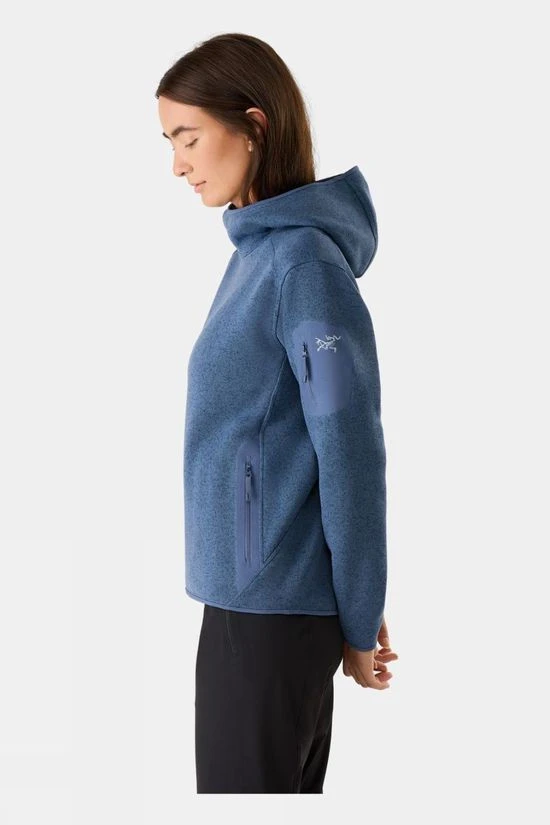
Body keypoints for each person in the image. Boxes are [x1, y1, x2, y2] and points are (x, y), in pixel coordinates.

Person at [155, 32, 398, 794]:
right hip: (246, 604)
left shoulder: (304, 268)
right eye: (169, 142)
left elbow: (350, 449)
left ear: (254, 126)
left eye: (188, 137)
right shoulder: (255, 258)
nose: (178, 165)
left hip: (273, 617)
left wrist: (359, 612)